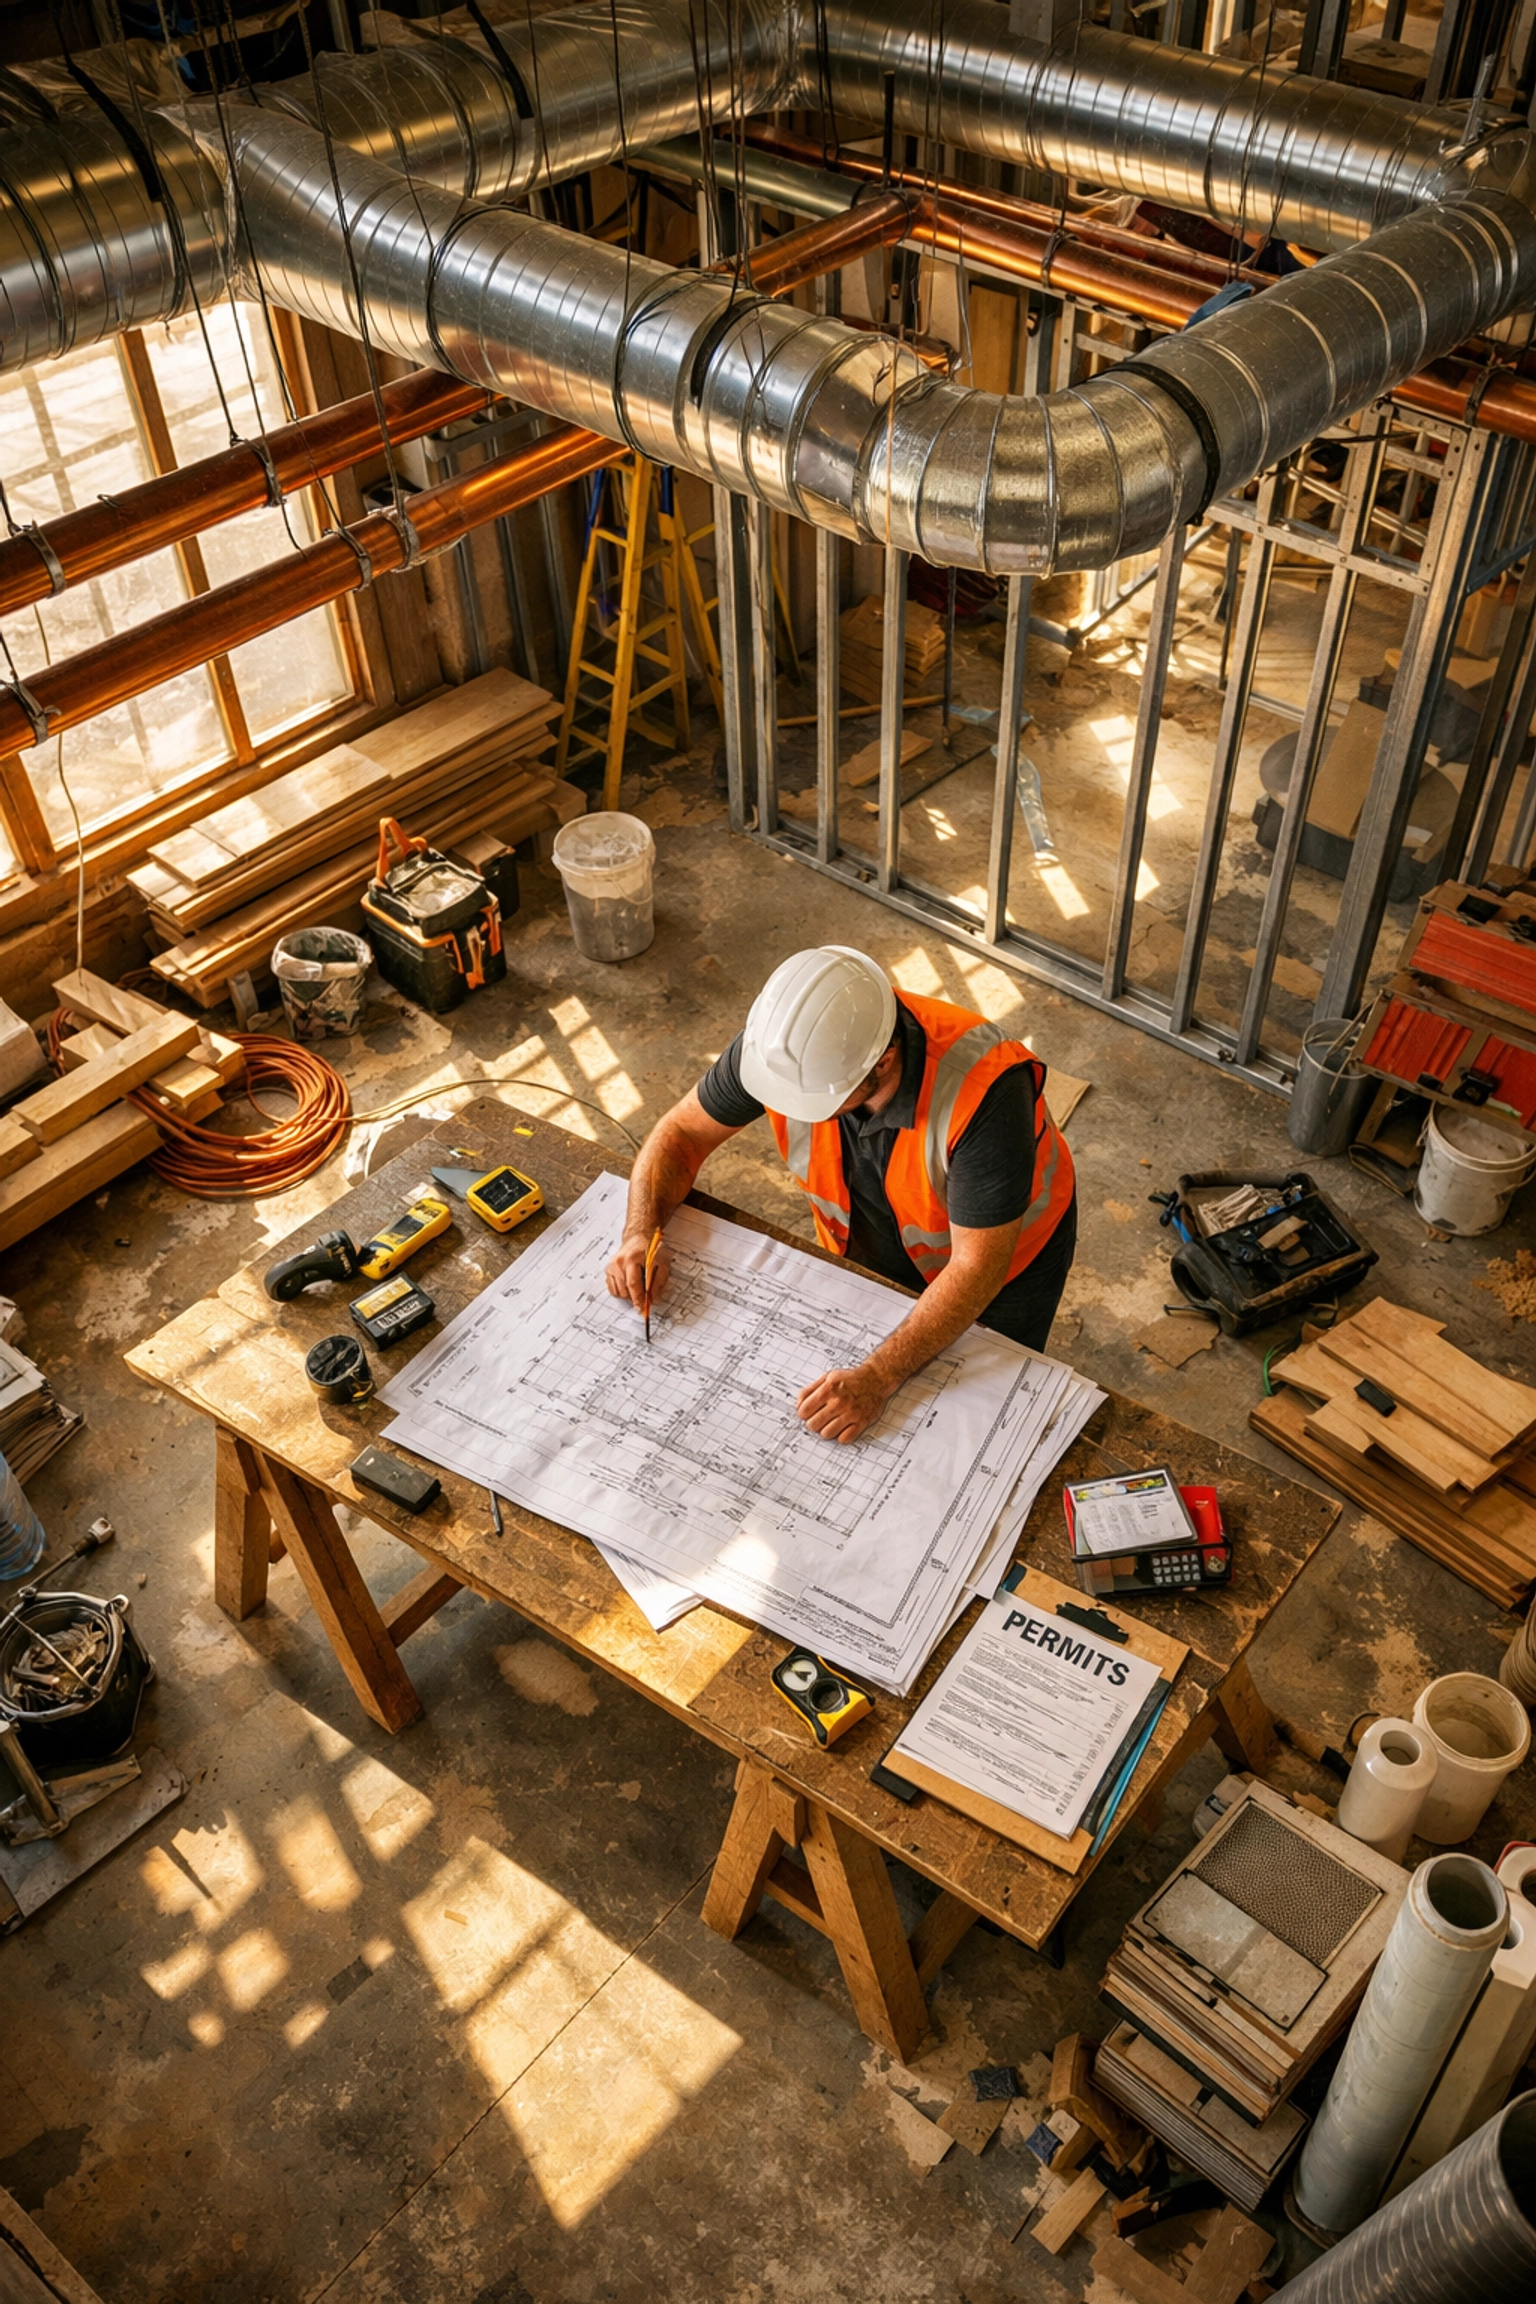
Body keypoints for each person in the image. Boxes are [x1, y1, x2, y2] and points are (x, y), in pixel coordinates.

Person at [606, 946, 1077, 1443]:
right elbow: (680, 1134)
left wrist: (878, 1376)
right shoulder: (786, 1048)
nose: (793, 1108)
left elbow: (975, 1268)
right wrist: (640, 1231)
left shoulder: (986, 1096)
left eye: (813, 1101)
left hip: (1003, 1269)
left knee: (979, 1423)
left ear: (883, 1062)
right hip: (862, 1240)